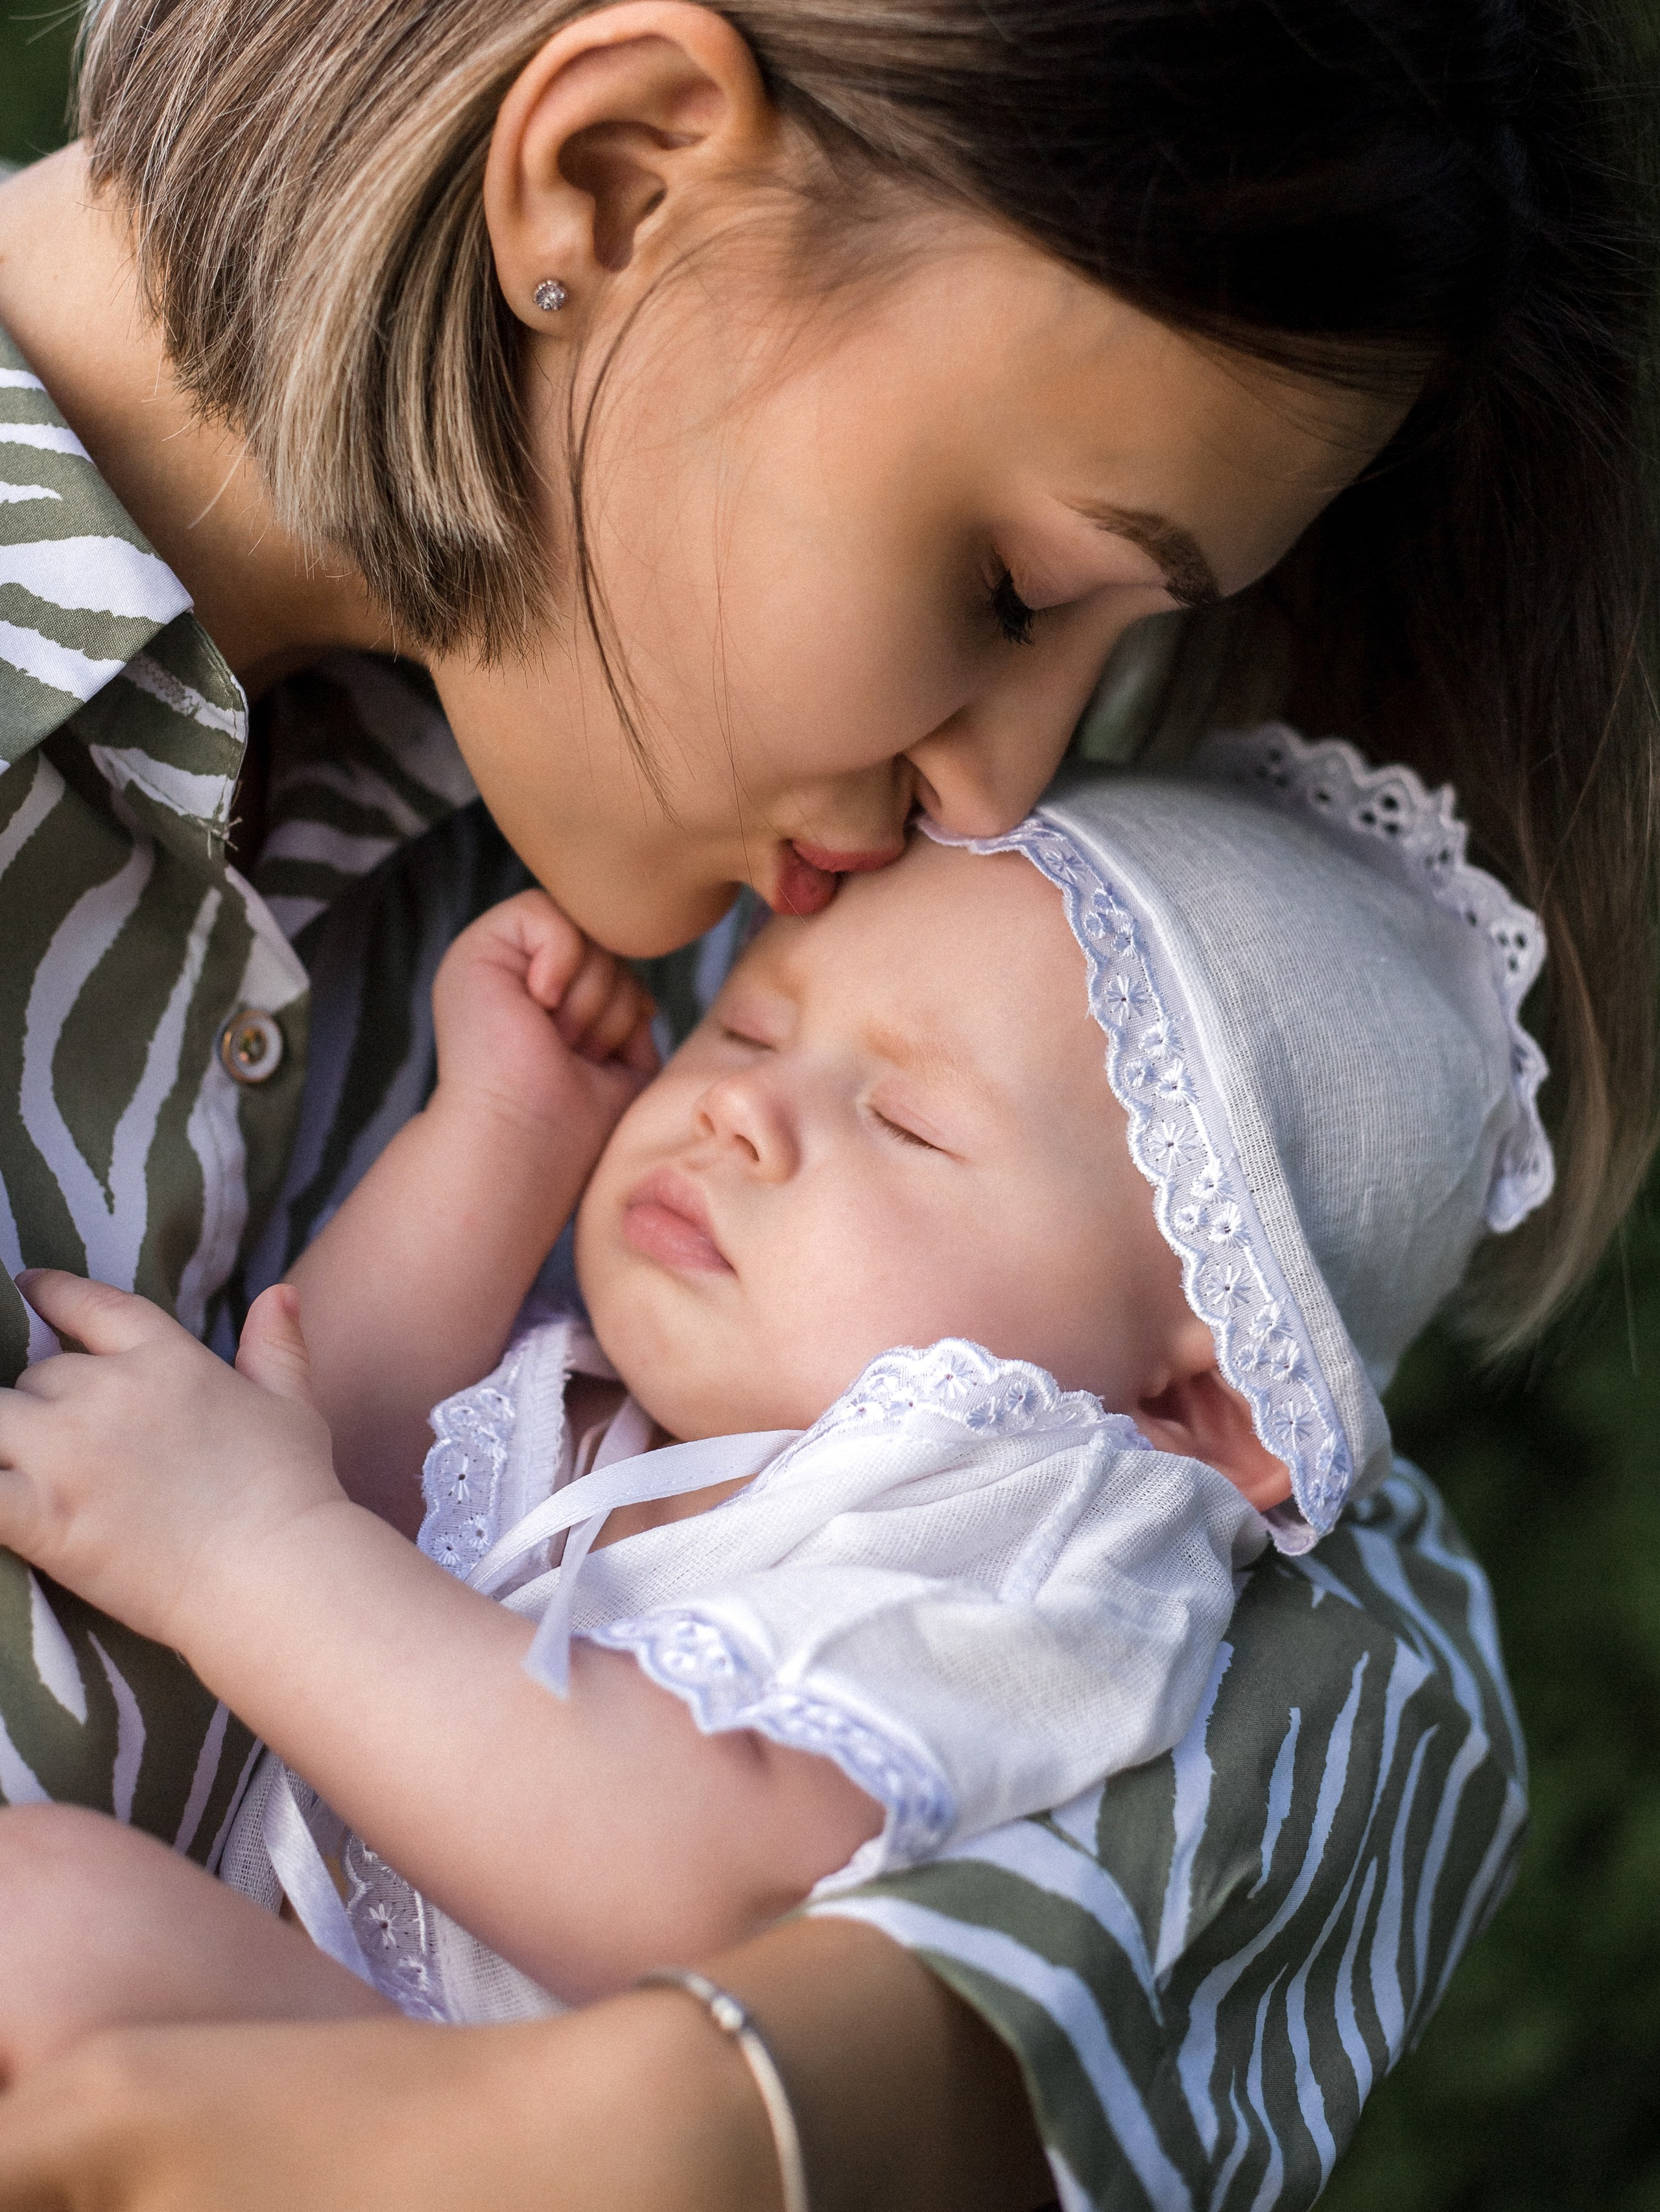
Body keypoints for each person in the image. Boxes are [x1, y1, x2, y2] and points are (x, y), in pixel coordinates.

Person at [0, 0, 1650, 2201]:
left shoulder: (586, 847)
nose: (997, 794)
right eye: (1006, 587)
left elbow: (1364, 1676)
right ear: (616, 177)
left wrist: (668, 2111)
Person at [0, 722, 1552, 2084]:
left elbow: (678, 1876)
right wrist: (504, 1139)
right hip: (283, 2044)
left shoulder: (1041, 1543)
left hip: (499, 2139)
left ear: (1190, 1414)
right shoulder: (634, 1385)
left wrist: (238, 1559)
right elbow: (300, 1450)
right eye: (748, 1023)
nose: (738, 1102)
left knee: (52, 1935)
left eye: (905, 1119)